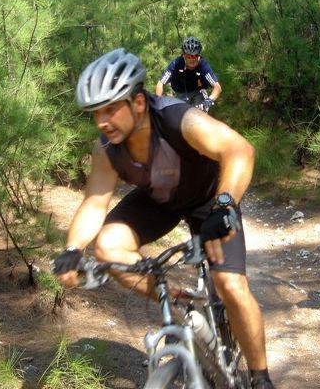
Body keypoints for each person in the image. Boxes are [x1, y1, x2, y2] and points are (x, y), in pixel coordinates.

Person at [52, 48, 274, 389]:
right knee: (108, 248)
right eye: (96, 113)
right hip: (160, 201)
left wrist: (224, 205)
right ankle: (183, 301)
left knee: (230, 284)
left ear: (138, 103)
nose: (102, 122)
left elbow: (239, 150)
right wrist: (72, 248)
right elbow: (95, 203)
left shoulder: (176, 118)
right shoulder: (107, 148)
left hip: (209, 199)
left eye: (111, 109)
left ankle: (260, 379)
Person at [155, 36, 222, 112]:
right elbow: (160, 83)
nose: (192, 59)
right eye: (189, 56)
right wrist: (158, 102)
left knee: (200, 113)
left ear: (198, 56)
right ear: (184, 56)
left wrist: (209, 100)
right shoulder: (176, 64)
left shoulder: (203, 65)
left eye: (195, 56)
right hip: (181, 94)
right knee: (178, 118)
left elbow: (217, 87)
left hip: (198, 92)